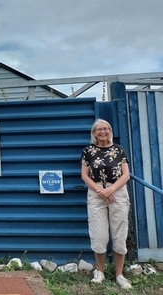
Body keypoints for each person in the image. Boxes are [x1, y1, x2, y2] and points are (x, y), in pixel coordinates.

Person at [80, 119, 132, 290]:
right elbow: (85, 176)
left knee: (119, 233)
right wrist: (100, 191)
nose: (103, 131)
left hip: (117, 192)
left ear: (110, 131)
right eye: (99, 129)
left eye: (106, 128)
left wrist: (111, 190)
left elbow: (126, 175)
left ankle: (119, 274)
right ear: (94, 133)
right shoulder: (88, 151)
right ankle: (100, 271)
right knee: (99, 234)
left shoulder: (119, 150)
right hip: (96, 194)